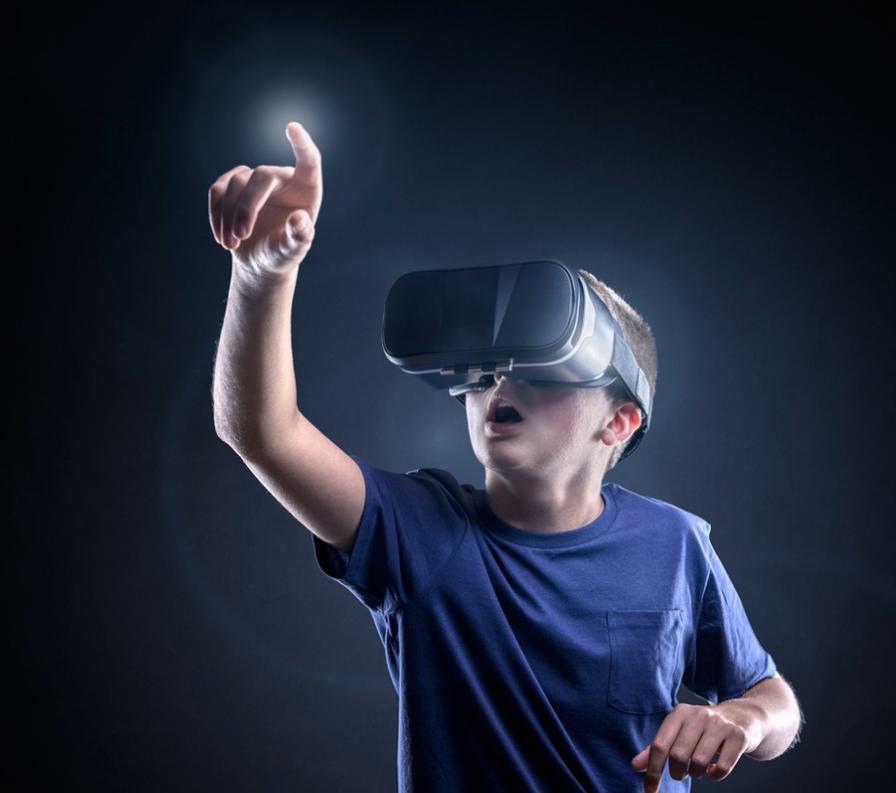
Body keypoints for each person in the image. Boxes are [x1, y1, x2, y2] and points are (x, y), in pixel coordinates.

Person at [210, 122, 802, 793]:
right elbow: (262, 432)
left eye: (542, 368)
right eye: (486, 368)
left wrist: (746, 717)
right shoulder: (418, 531)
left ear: (618, 421)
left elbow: (771, 695)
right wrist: (260, 277)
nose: (501, 384)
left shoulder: (675, 544)